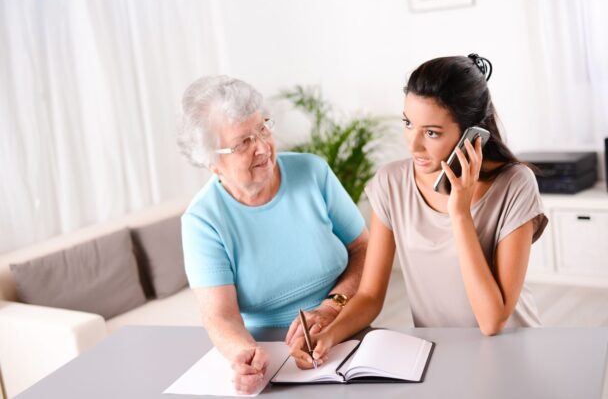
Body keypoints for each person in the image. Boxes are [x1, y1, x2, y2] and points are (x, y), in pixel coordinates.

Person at [290, 54, 548, 369]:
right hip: (437, 356)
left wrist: (461, 213)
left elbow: (493, 321)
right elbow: (370, 295)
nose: (413, 145)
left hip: (512, 352)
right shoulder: (390, 182)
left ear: (472, 135)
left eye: (432, 133)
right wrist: (328, 337)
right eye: (408, 123)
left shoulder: (515, 184)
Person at [176, 75, 368, 393]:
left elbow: (364, 248)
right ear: (212, 163)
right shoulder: (202, 221)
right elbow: (220, 317)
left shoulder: (313, 172)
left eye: (263, 128)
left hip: (345, 331)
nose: (263, 147)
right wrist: (244, 355)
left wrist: (330, 307)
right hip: (271, 358)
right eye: (243, 142)